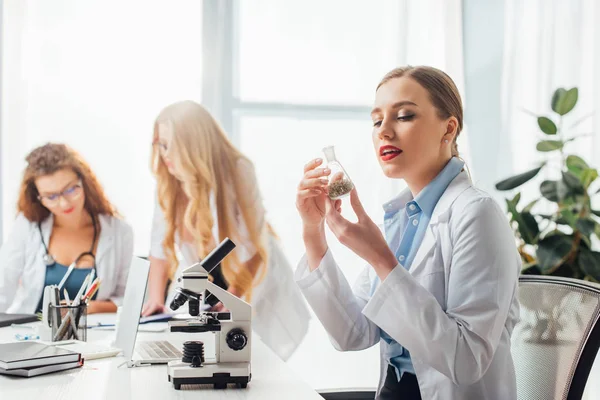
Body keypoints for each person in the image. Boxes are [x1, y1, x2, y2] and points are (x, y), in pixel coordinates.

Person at [295, 66, 520, 399]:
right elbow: (352, 333)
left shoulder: (477, 214)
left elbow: (467, 360)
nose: (384, 131)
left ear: (449, 128)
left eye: (403, 116)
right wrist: (314, 233)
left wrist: (380, 258)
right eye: (376, 121)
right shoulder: (403, 217)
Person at [143, 100, 309, 361]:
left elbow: (255, 249)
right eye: (160, 145)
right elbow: (157, 247)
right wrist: (155, 300)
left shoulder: (239, 171)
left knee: (253, 359)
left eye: (170, 145)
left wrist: (231, 300)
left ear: (193, 146)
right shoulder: (168, 179)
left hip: (250, 274)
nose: (164, 155)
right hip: (207, 274)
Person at [0, 143, 134, 314]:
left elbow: (130, 299)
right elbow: (3, 288)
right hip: (33, 333)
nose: (64, 203)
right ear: (38, 198)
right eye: (51, 196)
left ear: (84, 182)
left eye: (70, 189)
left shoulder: (119, 232)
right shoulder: (28, 226)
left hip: (94, 335)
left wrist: (88, 307)